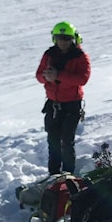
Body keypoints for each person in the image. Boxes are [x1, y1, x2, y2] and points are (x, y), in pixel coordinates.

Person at [35, 21, 91, 175]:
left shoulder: (80, 57)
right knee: (53, 142)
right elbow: (39, 75)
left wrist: (58, 75)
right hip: (53, 105)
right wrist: (46, 77)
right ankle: (54, 174)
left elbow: (82, 79)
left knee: (66, 141)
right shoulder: (49, 55)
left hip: (72, 105)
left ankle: (68, 174)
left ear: (73, 39)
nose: (63, 41)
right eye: (60, 38)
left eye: (66, 38)